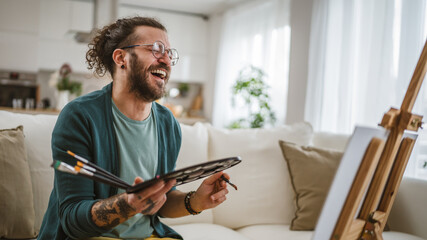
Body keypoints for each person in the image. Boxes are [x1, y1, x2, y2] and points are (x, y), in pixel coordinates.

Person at [38, 16, 231, 240]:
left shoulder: (168, 123)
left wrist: (196, 201)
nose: (166, 61)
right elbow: (72, 220)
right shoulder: (79, 116)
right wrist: (128, 204)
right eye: (157, 49)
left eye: (170, 53)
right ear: (121, 58)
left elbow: (160, 202)